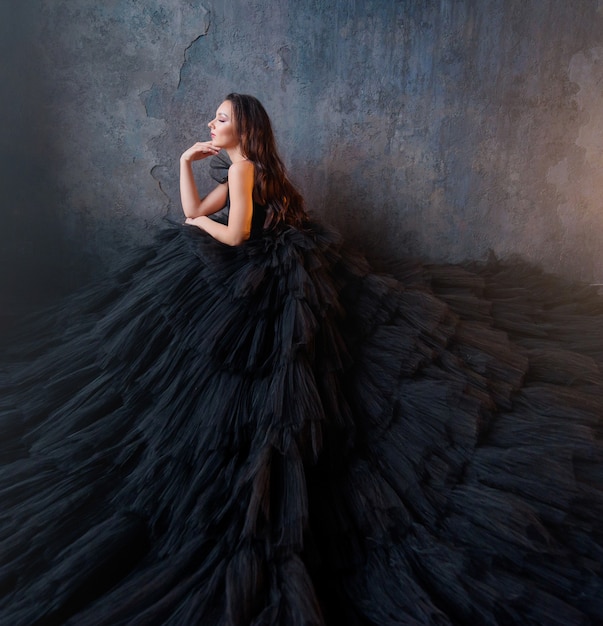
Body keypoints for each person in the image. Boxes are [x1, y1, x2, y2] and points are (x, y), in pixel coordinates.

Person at [0, 93, 602, 625]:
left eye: (221, 118)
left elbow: (230, 236)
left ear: (246, 128)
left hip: (257, 278)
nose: (211, 124)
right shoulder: (241, 168)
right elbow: (193, 214)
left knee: (255, 380)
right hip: (261, 268)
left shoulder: (244, 171)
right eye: (212, 117)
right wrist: (185, 167)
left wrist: (201, 229)